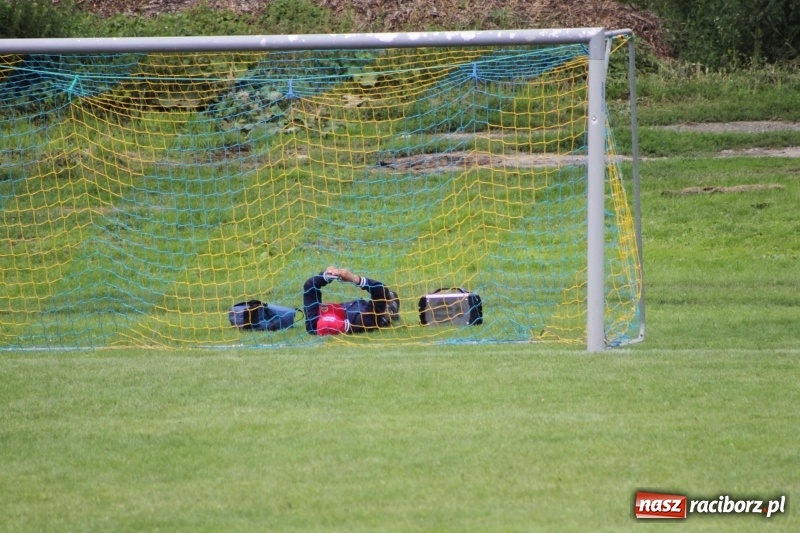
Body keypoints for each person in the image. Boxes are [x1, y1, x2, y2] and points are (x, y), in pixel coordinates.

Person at [303, 266, 400, 335]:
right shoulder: (362, 322)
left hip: (353, 306)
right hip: (368, 312)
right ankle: (390, 312)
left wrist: (326, 276)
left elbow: (309, 286)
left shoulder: (314, 326)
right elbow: (381, 290)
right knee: (390, 301)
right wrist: (355, 279)